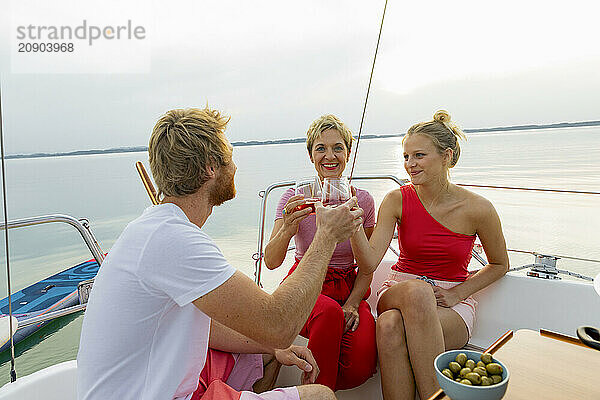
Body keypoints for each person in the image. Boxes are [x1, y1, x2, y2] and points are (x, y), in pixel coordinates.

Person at [77, 107, 365, 400]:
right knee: (320, 396)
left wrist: (272, 348)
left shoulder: (156, 228)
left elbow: (209, 326)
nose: (235, 166)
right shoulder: (175, 239)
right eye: (230, 156)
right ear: (211, 168)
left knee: (265, 355)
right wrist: (327, 235)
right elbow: (279, 325)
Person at [350, 110, 509, 400]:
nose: (410, 164)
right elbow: (371, 262)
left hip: (452, 302)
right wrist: (353, 225)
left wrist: (458, 294)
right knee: (418, 293)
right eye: (406, 156)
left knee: (389, 325)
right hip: (399, 289)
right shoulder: (396, 199)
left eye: (419, 156)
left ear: (446, 156)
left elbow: (500, 264)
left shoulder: (479, 208)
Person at [264, 115, 377, 391]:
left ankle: (313, 392)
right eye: (320, 148)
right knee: (328, 313)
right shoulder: (294, 197)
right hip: (304, 282)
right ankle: (316, 394)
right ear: (310, 155)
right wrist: (288, 228)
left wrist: (352, 303)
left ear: (348, 153)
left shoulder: (363, 200)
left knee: (360, 369)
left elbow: (367, 266)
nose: (330, 156)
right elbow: (271, 261)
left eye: (338, 147)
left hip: (349, 285)